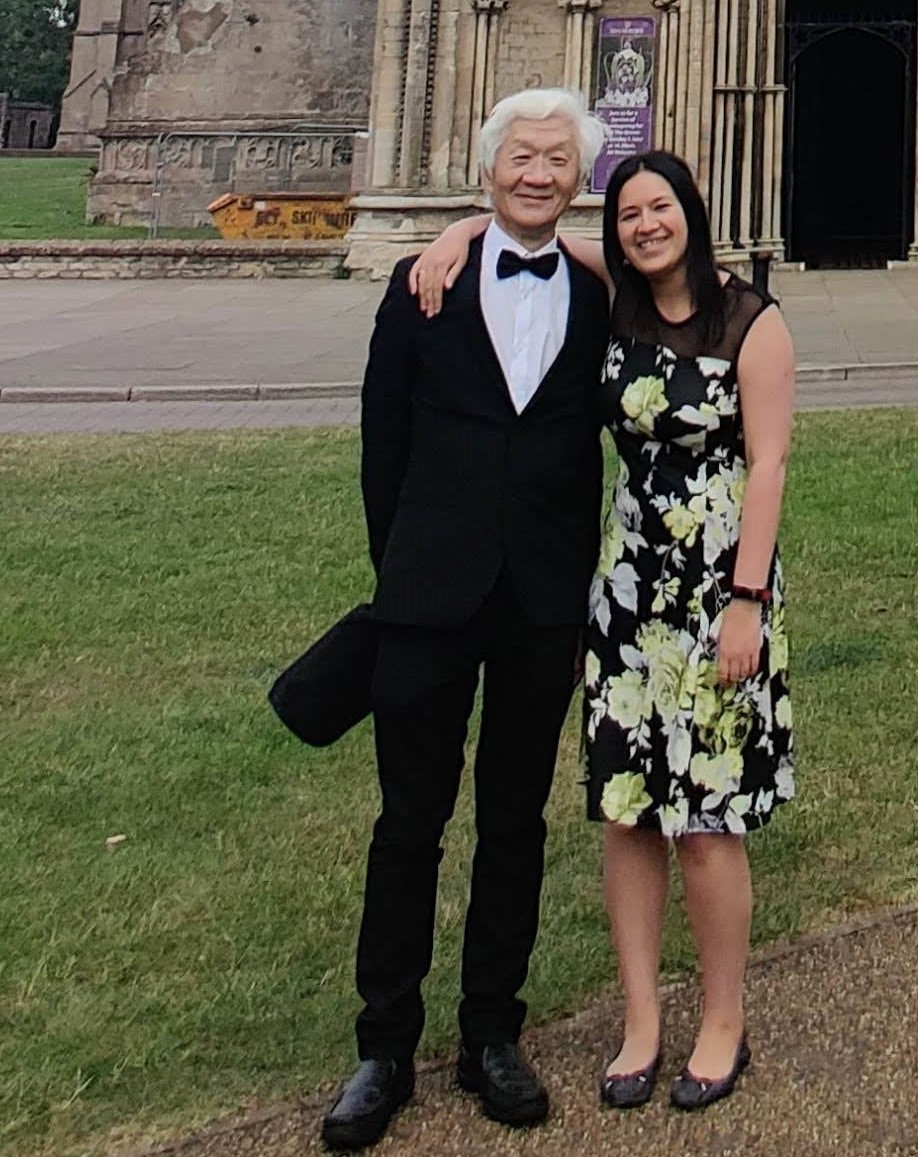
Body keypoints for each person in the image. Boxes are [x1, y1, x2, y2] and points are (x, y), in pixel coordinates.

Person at [410, 149, 798, 1117]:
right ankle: (638, 1022)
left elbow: (769, 464)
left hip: (720, 592)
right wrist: (461, 224)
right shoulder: (617, 305)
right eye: (629, 213)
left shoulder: (750, 319)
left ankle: (720, 1020)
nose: (644, 224)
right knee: (627, 809)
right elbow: (542, 240)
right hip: (625, 592)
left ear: (693, 212)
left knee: (705, 824)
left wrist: (745, 597)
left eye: (660, 207)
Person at [322, 88, 611, 1153]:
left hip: (540, 600)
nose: (537, 174)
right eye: (519, 158)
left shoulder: (597, 298)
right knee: (407, 824)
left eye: (556, 161)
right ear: (487, 168)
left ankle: (494, 1030)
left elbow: (689, 292)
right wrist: (400, 573)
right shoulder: (423, 285)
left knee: (515, 823)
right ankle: (382, 1047)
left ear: (579, 179)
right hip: (430, 596)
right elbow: (379, 447)